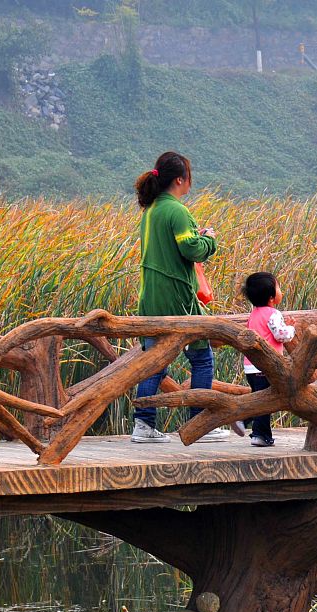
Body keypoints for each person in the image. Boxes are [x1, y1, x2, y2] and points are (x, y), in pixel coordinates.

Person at [130, 151, 234, 444]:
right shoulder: (177, 211)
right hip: (177, 297)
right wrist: (209, 239)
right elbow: (190, 250)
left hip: (150, 297)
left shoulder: (151, 211)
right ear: (180, 179)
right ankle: (200, 423)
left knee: (154, 361)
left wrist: (195, 236)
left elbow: (175, 245)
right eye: (189, 176)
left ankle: (143, 425)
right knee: (202, 358)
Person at [240, 272, 296, 447]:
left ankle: (243, 419)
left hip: (251, 366)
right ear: (272, 297)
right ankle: (260, 434)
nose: (281, 290)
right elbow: (281, 335)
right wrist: (292, 328)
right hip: (267, 367)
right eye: (279, 287)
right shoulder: (273, 313)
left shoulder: (254, 314)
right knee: (267, 401)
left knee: (261, 398)